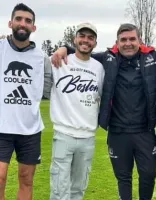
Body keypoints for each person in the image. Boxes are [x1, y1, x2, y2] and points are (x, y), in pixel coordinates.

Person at [51, 23, 156, 200]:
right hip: (118, 132)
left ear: (140, 41)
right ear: (116, 42)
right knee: (123, 178)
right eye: (123, 40)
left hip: (144, 132)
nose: (128, 43)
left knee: (148, 176)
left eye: (132, 39)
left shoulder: (152, 57)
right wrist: (65, 48)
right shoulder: (108, 58)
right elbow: (84, 50)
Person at [0, 3, 52, 200]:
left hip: (30, 130)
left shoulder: (41, 57)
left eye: (28, 21)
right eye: (18, 19)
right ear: (10, 22)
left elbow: (49, 88)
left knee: (26, 179)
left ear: (33, 27)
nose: (22, 23)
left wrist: (63, 48)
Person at [44, 23, 105, 200]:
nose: (86, 40)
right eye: (82, 36)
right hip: (64, 134)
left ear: (94, 42)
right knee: (59, 189)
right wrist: (61, 49)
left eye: (90, 37)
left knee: (78, 188)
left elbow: (100, 95)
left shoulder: (98, 68)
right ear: (74, 39)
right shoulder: (58, 60)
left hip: (87, 137)